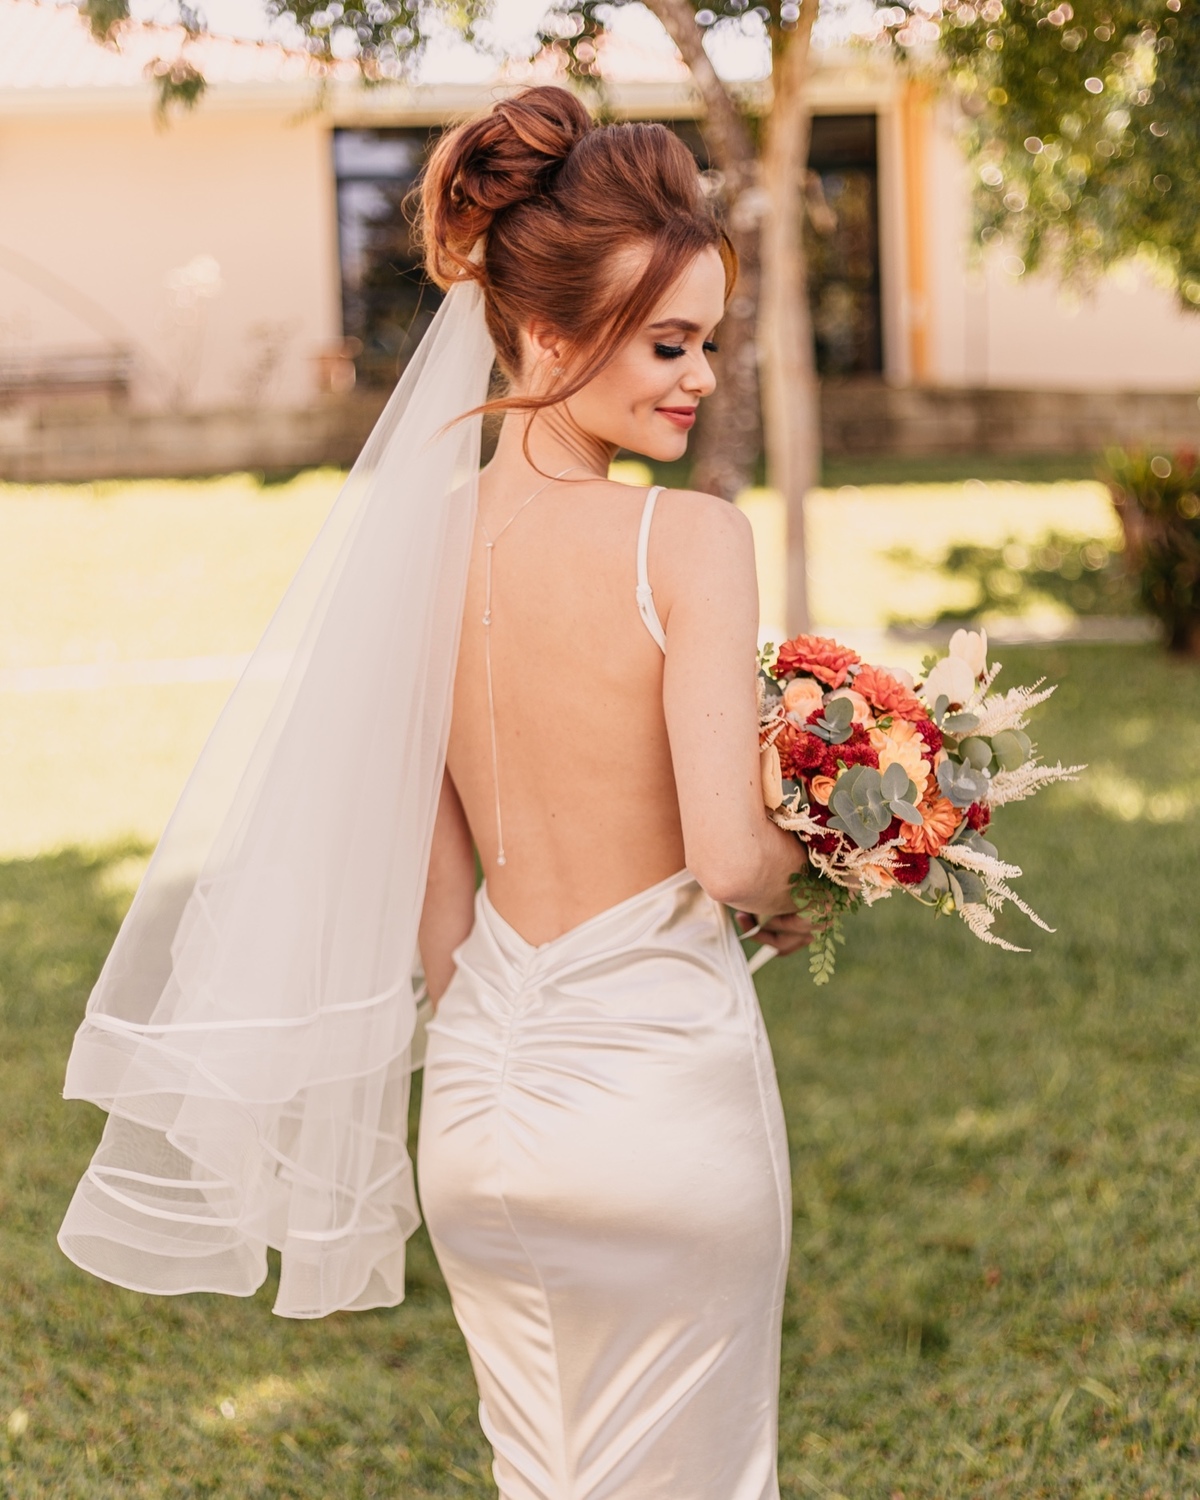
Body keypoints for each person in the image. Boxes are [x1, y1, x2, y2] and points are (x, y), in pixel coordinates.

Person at [410, 87, 813, 1498]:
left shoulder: (414, 553)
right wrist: (822, 865)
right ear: (547, 333)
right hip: (654, 1102)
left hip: (477, 1113)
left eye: (707, 342)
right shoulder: (688, 540)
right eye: (666, 342)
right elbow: (730, 859)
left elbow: (440, 917)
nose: (696, 376)